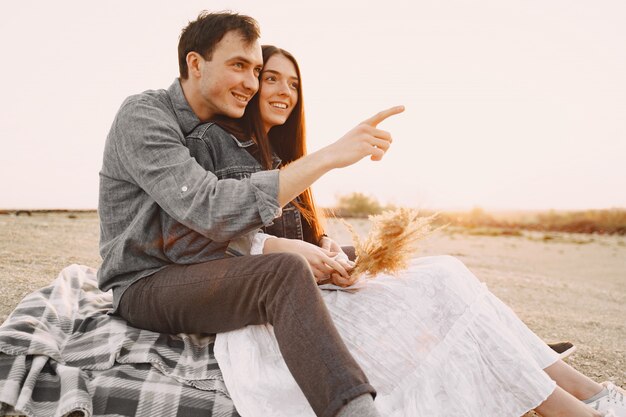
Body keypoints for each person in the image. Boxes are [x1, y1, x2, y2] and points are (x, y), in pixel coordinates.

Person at [182, 45, 625, 417]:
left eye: (293, 84)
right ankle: (580, 408)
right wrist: (291, 252)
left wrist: (325, 245)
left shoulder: (280, 156)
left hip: (313, 286)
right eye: (271, 78)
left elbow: (298, 230)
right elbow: (211, 232)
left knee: (443, 275)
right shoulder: (213, 142)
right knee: (441, 282)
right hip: (274, 309)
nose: (284, 92)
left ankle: (587, 394)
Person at [98, 11, 403, 417]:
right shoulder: (145, 116)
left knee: (356, 257)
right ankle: (354, 411)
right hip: (147, 281)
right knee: (283, 272)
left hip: (201, 267)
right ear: (195, 63)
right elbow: (207, 209)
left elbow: (230, 227)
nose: (251, 83)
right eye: (238, 66)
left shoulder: (216, 131)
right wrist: (328, 157)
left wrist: (321, 247)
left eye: (256, 69)